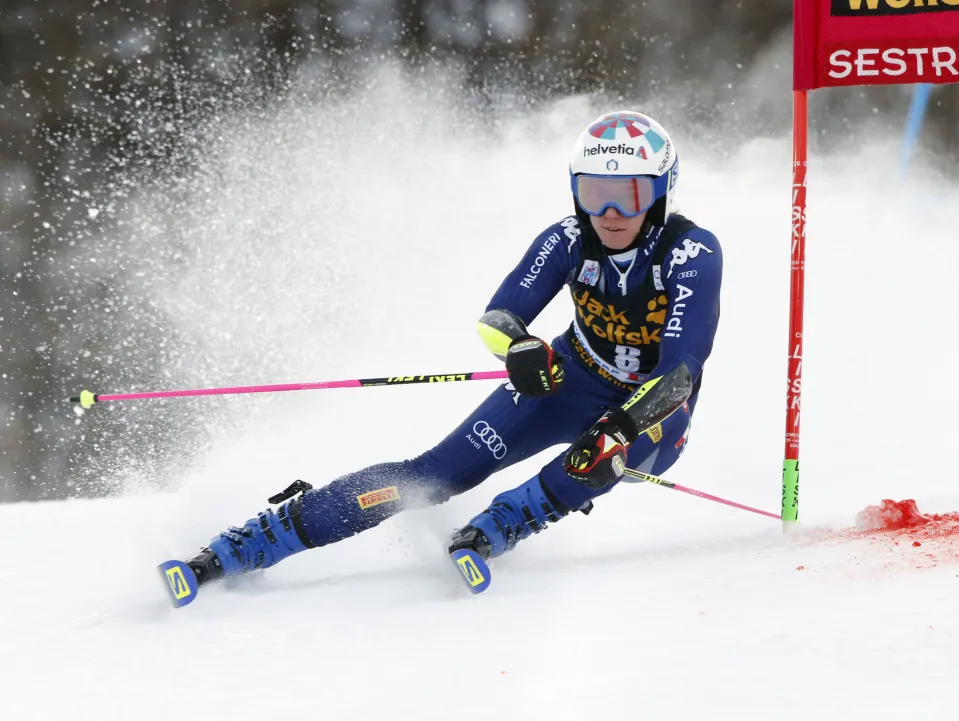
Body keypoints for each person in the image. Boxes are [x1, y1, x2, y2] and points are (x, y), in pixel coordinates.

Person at [178, 110, 723, 588]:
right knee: (435, 475)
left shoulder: (692, 251)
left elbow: (681, 372)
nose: (608, 212)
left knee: (597, 457)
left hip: (655, 412)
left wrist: (622, 427)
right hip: (572, 378)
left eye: (627, 194)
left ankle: (503, 523)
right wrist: (521, 349)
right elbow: (498, 317)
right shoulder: (566, 238)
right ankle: (254, 541)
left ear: (660, 191)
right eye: (592, 192)